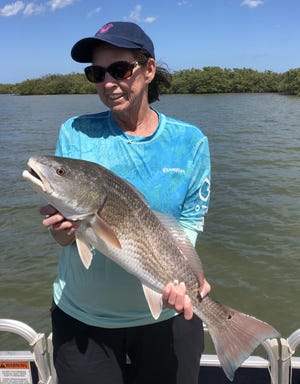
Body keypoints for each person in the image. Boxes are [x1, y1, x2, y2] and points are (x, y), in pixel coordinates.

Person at [40, 21, 211, 384]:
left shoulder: (190, 142)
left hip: (167, 319)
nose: (107, 83)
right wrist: (63, 231)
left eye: (119, 70)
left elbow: (191, 220)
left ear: (149, 69)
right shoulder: (75, 132)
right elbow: (66, 237)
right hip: (83, 321)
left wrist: (184, 279)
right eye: (96, 73)